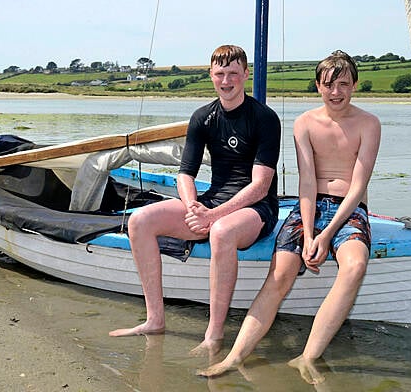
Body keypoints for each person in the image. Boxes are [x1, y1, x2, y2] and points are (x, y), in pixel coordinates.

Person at [198, 50, 381, 378]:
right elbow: (307, 182)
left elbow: (358, 185)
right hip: (308, 208)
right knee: (280, 274)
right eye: (328, 85)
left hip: (349, 209)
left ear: (355, 85)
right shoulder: (305, 123)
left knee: (354, 266)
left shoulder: (369, 124)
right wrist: (310, 234)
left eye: (342, 84)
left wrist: (326, 236)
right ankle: (234, 358)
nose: (335, 92)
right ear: (317, 86)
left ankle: (308, 356)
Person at [109, 44, 282, 355]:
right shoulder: (203, 117)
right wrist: (192, 208)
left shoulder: (264, 118)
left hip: (256, 209)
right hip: (213, 200)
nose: (226, 80)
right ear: (210, 76)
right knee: (139, 220)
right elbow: (185, 174)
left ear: (246, 74)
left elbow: (260, 186)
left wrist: (211, 218)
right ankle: (154, 319)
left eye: (233, 73)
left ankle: (214, 335)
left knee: (222, 231)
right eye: (220, 74)